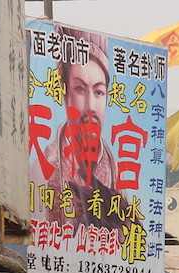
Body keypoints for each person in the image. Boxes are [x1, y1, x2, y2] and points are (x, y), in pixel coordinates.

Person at [29, 27, 138, 230]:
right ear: (65, 94)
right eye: (80, 89)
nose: (90, 106)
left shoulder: (118, 177)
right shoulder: (43, 171)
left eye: (98, 92)